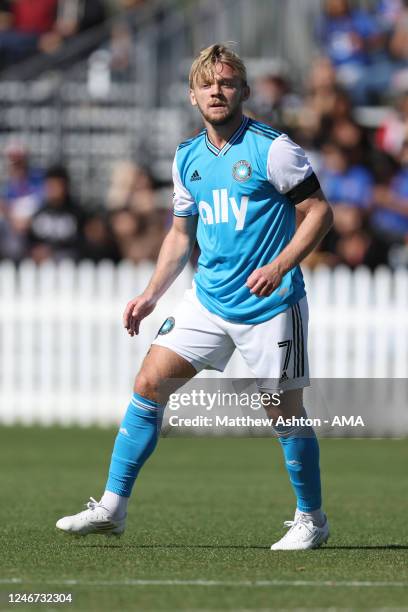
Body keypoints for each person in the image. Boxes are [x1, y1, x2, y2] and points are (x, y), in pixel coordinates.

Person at [56, 44, 333, 551]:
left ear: (244, 92)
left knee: (283, 410)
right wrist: (150, 294)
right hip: (208, 300)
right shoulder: (187, 157)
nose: (217, 91)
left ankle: (310, 518)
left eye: (227, 83)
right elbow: (181, 236)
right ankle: (112, 508)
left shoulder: (273, 148)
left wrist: (280, 265)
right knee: (149, 382)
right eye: (207, 85)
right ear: (192, 95)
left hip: (269, 305)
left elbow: (318, 212)